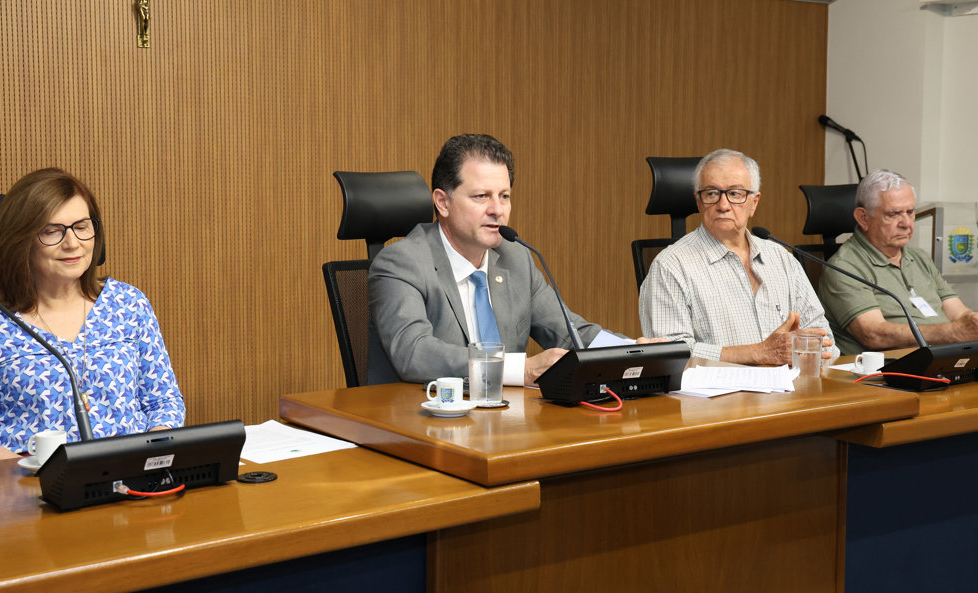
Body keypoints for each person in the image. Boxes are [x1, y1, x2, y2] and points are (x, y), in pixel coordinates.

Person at [368, 133, 642, 386]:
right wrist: (520, 369)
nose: (497, 210)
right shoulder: (403, 262)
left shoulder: (515, 258)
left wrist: (634, 351)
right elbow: (415, 352)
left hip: (503, 414)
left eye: (504, 196)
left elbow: (570, 333)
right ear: (443, 202)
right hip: (425, 414)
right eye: (481, 196)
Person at [0, 168, 185, 460]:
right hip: (24, 482)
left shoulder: (128, 304)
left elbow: (163, 403)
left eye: (82, 227)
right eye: (52, 231)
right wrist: (38, 471)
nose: (72, 243)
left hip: (127, 477)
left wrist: (151, 456)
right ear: (20, 241)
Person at [639, 148, 837, 363]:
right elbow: (670, 356)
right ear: (698, 201)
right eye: (711, 194)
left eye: (735, 194)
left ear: (754, 202)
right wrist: (758, 352)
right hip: (717, 386)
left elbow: (826, 341)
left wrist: (803, 347)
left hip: (790, 383)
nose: (723, 206)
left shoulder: (781, 258)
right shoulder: (671, 265)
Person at [819, 169, 978, 355]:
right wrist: (953, 333)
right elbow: (873, 334)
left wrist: (972, 322)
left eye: (910, 212)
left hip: (946, 358)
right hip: (892, 368)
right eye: (893, 214)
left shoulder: (919, 257)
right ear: (863, 217)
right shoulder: (844, 267)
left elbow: (959, 312)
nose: (906, 223)